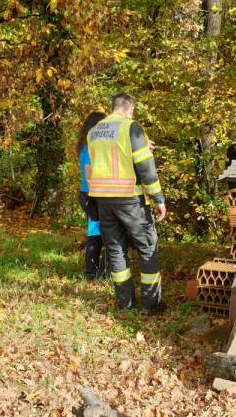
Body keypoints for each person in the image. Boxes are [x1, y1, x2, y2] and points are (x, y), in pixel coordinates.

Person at [86, 93, 167, 316]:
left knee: (115, 249)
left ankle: (126, 303)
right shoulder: (131, 127)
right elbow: (145, 166)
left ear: (114, 107)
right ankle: (150, 305)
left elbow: (108, 159)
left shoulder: (94, 132)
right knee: (147, 247)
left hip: (102, 199)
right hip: (128, 199)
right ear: (130, 109)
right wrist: (158, 199)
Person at [77, 112, 107, 280]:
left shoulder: (85, 144)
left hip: (88, 195)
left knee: (95, 234)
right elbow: (89, 175)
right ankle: (97, 273)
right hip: (93, 195)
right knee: (100, 235)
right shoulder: (90, 146)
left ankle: (92, 273)